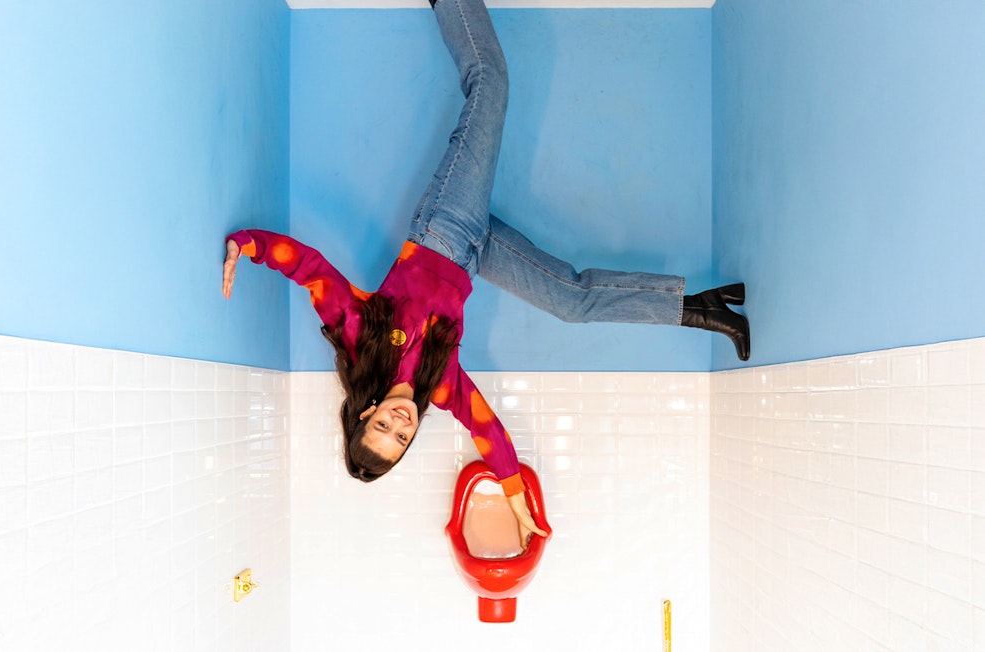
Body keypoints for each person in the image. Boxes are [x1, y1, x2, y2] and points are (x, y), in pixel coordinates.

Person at [222, 0, 749, 545]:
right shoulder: (439, 386)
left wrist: (248, 245)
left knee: (489, 82)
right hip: (476, 257)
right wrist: (517, 502)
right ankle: (699, 308)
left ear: (366, 413)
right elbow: (489, 434)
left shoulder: (360, 336)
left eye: (383, 427)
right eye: (401, 439)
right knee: (571, 301)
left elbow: (310, 270)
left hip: (444, 228)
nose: (400, 426)